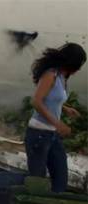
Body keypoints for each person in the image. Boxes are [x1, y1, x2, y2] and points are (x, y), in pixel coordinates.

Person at [25, 42, 86, 193]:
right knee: (37, 181)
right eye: (78, 65)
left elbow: (51, 99)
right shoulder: (50, 75)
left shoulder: (62, 77)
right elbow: (36, 101)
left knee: (60, 179)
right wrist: (58, 124)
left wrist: (65, 108)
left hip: (52, 135)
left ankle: (55, 203)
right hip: (38, 133)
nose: (79, 69)